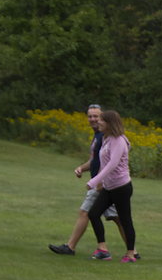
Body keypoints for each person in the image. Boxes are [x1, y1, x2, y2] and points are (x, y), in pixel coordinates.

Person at [48, 105, 131, 257]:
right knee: (117, 218)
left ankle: (71, 247)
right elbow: (95, 160)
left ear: (104, 119)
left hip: (103, 183)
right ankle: (132, 251)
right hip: (105, 184)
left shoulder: (105, 136)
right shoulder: (99, 136)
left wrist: (98, 180)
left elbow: (109, 163)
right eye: (90, 116)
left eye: (97, 117)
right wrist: (82, 167)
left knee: (85, 212)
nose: (93, 120)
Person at [84, 109, 138, 262]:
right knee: (93, 214)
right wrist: (102, 181)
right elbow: (104, 162)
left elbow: (113, 164)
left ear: (109, 123)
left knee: (125, 220)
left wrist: (94, 180)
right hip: (109, 187)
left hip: (121, 187)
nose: (98, 122)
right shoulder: (106, 139)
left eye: (101, 120)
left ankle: (130, 254)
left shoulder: (118, 140)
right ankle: (102, 250)